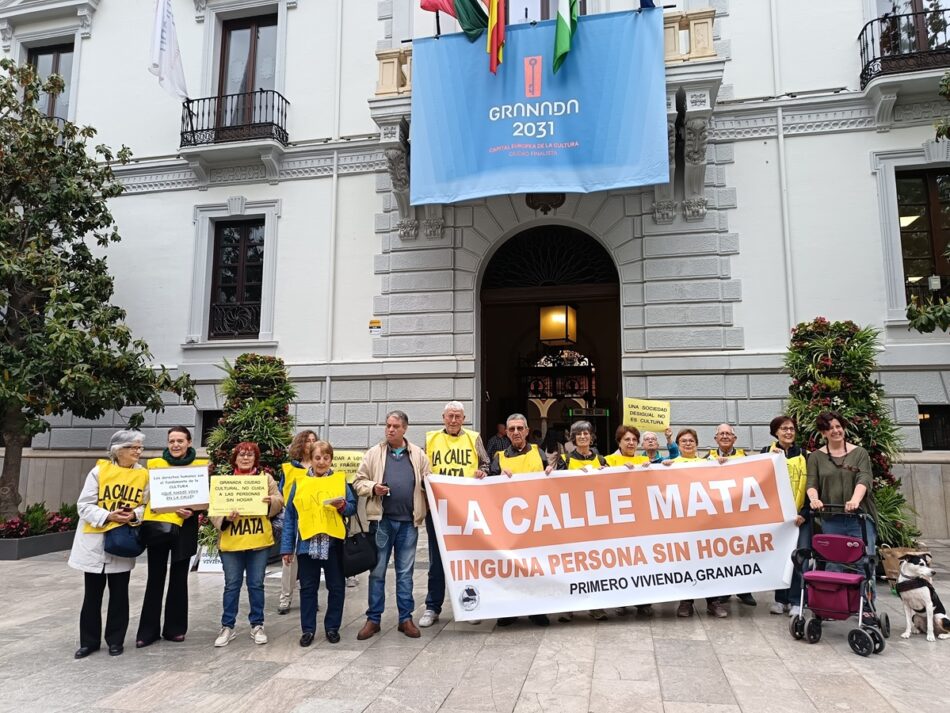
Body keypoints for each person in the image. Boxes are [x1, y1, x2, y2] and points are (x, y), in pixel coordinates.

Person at [353, 410, 432, 640]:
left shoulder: (417, 454)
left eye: (395, 426)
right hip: (382, 522)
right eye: (388, 425)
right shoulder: (374, 453)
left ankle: (405, 619)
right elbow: (358, 482)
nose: (390, 429)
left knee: (405, 573)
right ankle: (373, 619)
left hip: (408, 523)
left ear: (405, 428)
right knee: (377, 572)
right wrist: (373, 487)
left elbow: (429, 482)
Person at [69, 430, 147, 658]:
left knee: (120, 594)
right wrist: (108, 516)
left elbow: (147, 505)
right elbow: (83, 505)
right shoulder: (99, 471)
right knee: (92, 595)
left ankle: (115, 640)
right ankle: (89, 642)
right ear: (118, 449)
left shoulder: (143, 475)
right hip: (95, 540)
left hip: (123, 541)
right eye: (133, 447)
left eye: (139, 447)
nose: (138, 452)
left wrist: (133, 515)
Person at [136, 426, 208, 648]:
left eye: (180, 441)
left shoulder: (199, 467)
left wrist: (193, 511)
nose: (175, 445)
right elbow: (147, 495)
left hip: (185, 528)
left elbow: (204, 500)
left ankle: (175, 628)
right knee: (155, 579)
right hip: (158, 526)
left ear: (189, 443)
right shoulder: (156, 465)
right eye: (171, 441)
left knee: (179, 579)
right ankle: (148, 632)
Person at [419, 401, 490, 628]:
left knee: (468, 559)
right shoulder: (430, 440)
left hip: (466, 509)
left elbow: (486, 464)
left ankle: (471, 606)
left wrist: (483, 472)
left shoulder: (473, 438)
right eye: (450, 416)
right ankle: (433, 607)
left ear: (464, 418)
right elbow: (421, 469)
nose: (453, 420)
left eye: (457, 416)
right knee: (437, 560)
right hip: (438, 509)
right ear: (443, 417)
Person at [280, 440, 357, 646]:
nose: (322, 462)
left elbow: (352, 507)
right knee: (308, 588)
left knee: (336, 586)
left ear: (331, 459)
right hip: (308, 545)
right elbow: (290, 517)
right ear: (311, 460)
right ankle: (308, 629)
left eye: (326, 458)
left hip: (333, 545)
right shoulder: (300, 483)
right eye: (317, 458)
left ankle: (332, 627)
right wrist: (287, 547)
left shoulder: (339, 481)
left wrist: (343, 506)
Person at [211, 442, 283, 647]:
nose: (245, 458)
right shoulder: (225, 481)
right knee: (232, 585)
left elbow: (279, 500)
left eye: (250, 455)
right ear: (235, 458)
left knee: (256, 584)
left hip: (258, 540)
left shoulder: (265, 479)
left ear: (255, 459)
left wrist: (271, 501)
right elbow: (214, 509)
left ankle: (257, 625)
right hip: (232, 541)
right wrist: (226, 518)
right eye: (241, 455)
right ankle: (227, 626)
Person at [806, 410, 878, 604]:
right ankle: (833, 604)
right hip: (832, 519)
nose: (835, 431)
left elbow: (864, 478)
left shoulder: (859, 453)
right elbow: (811, 483)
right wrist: (814, 499)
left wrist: (855, 500)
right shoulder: (815, 457)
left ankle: (867, 606)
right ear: (823, 433)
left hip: (860, 519)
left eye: (838, 426)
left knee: (865, 563)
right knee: (833, 564)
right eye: (830, 428)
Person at [488, 413, 552, 628]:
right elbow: (488, 489)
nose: (516, 432)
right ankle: (510, 610)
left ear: (526, 431)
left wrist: (553, 470)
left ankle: (537, 610)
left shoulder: (539, 452)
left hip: (535, 521)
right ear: (506, 433)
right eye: (512, 429)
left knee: (535, 567)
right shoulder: (499, 457)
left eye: (520, 428)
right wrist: (495, 477)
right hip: (509, 524)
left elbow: (554, 477)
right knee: (510, 568)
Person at [665, 429, 729, 619]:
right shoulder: (670, 464)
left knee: (709, 563)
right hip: (682, 525)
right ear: (678, 444)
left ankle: (713, 602)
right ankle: (686, 602)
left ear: (697, 443)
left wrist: (723, 465)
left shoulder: (707, 463)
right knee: (685, 563)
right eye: (683, 441)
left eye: (691, 440)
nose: (687, 443)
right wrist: (660, 467)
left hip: (706, 524)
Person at [556, 421, 609, 622]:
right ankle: (568, 607)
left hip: (596, 521)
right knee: (571, 566)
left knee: (595, 565)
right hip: (573, 519)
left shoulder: (602, 460)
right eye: (579, 434)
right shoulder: (565, 460)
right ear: (573, 438)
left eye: (586, 433)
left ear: (592, 436)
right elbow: (556, 486)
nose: (583, 437)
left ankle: (596, 606)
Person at [762, 416, 809, 616]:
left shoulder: (805, 454)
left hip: (800, 517)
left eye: (791, 429)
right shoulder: (766, 452)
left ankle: (797, 600)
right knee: (780, 558)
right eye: (784, 429)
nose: (788, 432)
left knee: (800, 557)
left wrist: (804, 513)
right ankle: (781, 599)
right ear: (775, 432)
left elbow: (811, 485)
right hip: (777, 518)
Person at [604, 425, 652, 617]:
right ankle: (621, 601)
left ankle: (643, 601)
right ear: (619, 442)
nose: (631, 443)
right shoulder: (609, 460)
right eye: (627, 440)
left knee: (642, 561)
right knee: (622, 561)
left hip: (640, 518)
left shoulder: (644, 460)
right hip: (618, 520)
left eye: (634, 440)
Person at [706, 424, 755, 608]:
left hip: (740, 515)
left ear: (734, 439)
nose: (725, 436)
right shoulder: (707, 459)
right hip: (718, 517)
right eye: (721, 434)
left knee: (743, 553)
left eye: (728, 434)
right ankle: (724, 591)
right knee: (722, 555)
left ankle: (745, 591)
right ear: (715, 439)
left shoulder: (745, 458)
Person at [277, 429, 317, 615]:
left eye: (313, 440)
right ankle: (285, 598)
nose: (310, 443)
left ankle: (310, 597)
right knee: (289, 559)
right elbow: (281, 491)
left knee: (311, 559)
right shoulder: (290, 468)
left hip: (314, 518)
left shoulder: (318, 467)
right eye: (307, 440)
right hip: (293, 517)